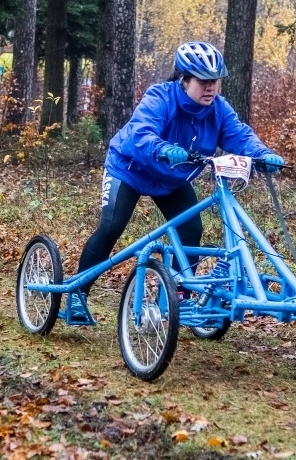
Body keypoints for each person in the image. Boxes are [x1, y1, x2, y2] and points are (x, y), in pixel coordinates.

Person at [73, 41, 284, 318]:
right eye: (203, 81)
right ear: (184, 79)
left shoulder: (218, 109)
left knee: (190, 231)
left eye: (214, 82)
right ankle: (78, 293)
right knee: (112, 226)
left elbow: (240, 135)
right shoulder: (160, 97)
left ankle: (176, 296)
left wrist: (262, 154)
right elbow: (141, 132)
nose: (210, 88)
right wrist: (162, 148)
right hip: (130, 169)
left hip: (171, 179)